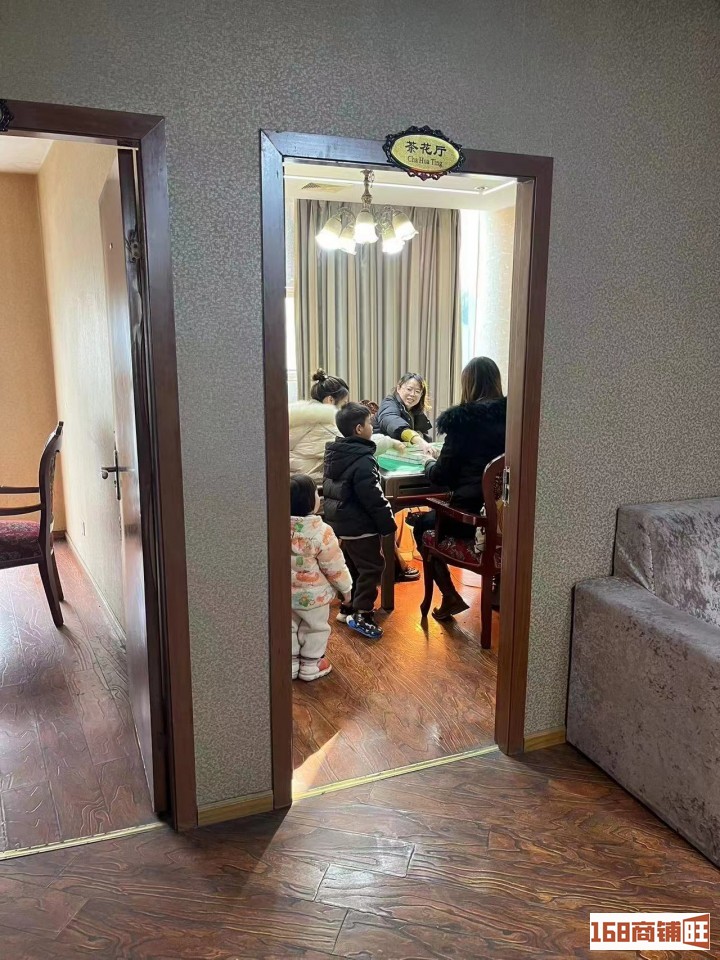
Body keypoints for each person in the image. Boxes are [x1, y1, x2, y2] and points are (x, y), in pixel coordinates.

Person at [418, 357, 507, 621]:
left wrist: (428, 464)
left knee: (422, 525)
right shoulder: (517, 417)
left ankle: (449, 596)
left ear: (467, 384)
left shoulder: (463, 422)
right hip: (508, 521)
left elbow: (442, 475)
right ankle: (499, 591)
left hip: (470, 519)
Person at [323, 403, 397, 640]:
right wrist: (387, 523)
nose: (372, 427)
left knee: (353, 566)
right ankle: (363, 613)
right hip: (361, 525)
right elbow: (373, 497)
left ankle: (347, 608)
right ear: (358, 429)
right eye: (370, 423)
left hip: (341, 523)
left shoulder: (337, 453)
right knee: (372, 567)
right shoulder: (363, 459)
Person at [290, 474, 352, 681]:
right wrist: (346, 589)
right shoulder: (322, 531)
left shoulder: (274, 525)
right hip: (315, 596)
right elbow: (334, 565)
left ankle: (289, 663)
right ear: (311, 501)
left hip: (282, 594)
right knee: (315, 628)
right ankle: (311, 664)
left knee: (287, 627)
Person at [289, 369, 350, 485]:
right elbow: (350, 448)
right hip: (306, 483)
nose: (343, 409)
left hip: (287, 478)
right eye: (343, 403)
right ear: (330, 400)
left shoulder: (297, 415)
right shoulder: (326, 426)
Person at [374, 373, 436, 457]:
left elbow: (425, 435)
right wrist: (419, 441)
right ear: (398, 388)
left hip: (403, 455)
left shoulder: (416, 410)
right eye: (409, 389)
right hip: (382, 455)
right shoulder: (389, 403)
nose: (412, 394)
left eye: (417, 391)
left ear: (421, 395)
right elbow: (393, 422)